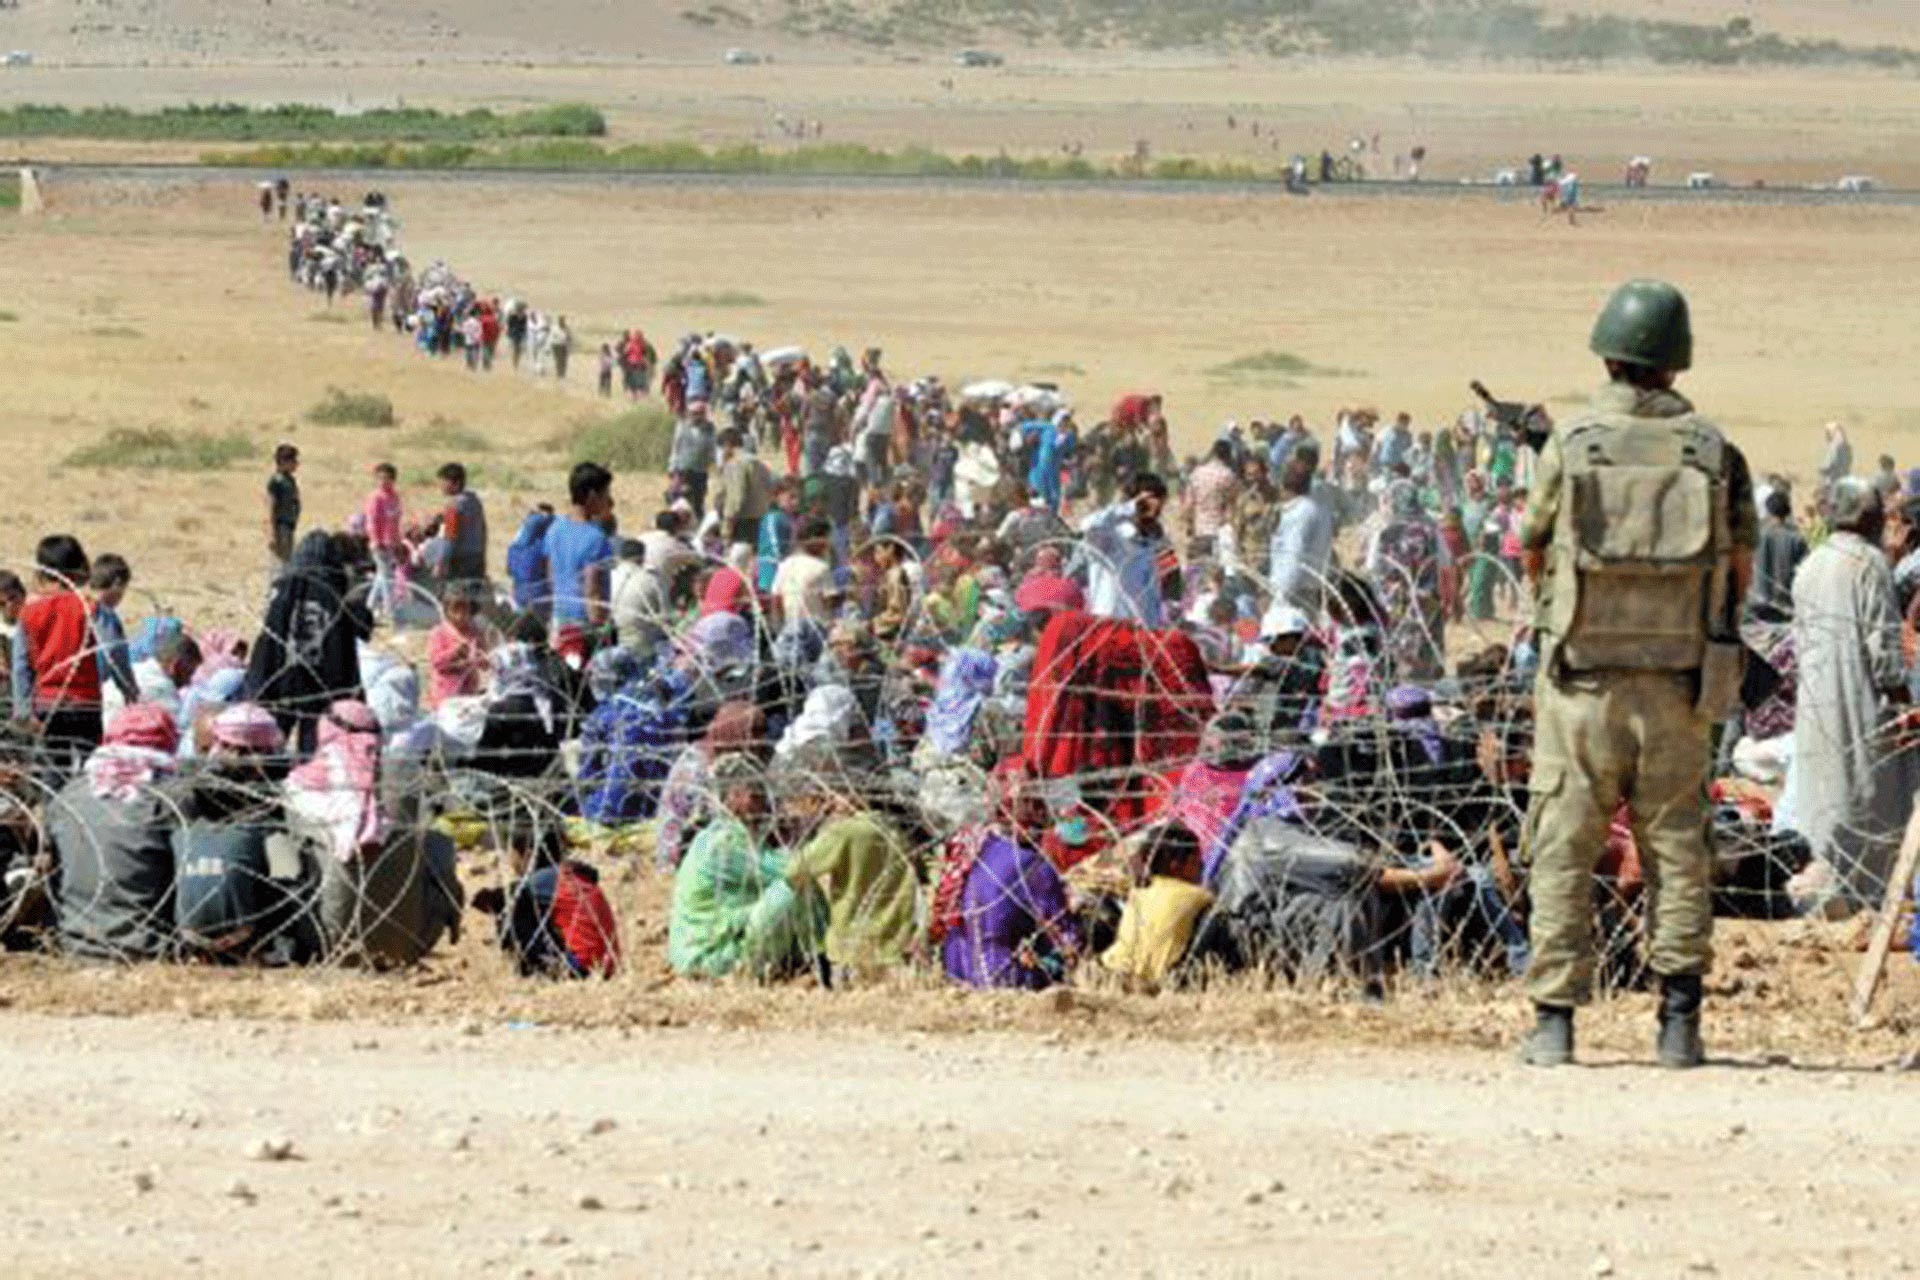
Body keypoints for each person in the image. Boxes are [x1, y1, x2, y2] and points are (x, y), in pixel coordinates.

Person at [1518, 279, 1755, 1069]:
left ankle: (1554, 1024)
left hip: (1581, 683)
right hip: (1682, 687)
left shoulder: (1572, 443)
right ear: (1674, 363)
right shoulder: (1714, 453)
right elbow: (1741, 571)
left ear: (1610, 353)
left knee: (1563, 845)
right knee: (1677, 848)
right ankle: (1679, 1024)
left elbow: (1532, 546)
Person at [1788, 478, 1917, 911]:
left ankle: (1830, 891)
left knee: (1826, 797)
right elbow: (1882, 646)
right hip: (1861, 704)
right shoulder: (1868, 562)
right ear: (1868, 516)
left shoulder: (1812, 563)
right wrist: (1902, 703)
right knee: (1871, 798)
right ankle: (1866, 897)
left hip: (1816, 701)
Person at [930, 758, 1081, 989]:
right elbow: (1067, 938)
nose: (1048, 812)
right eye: (1039, 803)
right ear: (1030, 806)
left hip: (954, 970)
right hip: (1001, 977)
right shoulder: (1031, 864)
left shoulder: (972, 845)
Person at [46, 704, 181, 960]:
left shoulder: (69, 794)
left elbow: (51, 869)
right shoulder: (171, 796)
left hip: (74, 942)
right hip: (149, 947)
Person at [669, 754, 812, 978]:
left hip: (720, 942)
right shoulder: (723, 843)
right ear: (734, 796)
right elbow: (793, 868)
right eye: (755, 794)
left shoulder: (724, 833)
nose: (764, 801)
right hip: (708, 956)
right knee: (790, 891)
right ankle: (824, 952)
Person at [244, 530, 372, 754]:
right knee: (316, 745)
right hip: (323, 684)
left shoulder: (282, 591)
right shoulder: (333, 593)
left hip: (281, 678)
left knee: (268, 742)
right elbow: (361, 630)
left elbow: (269, 640)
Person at [19, 534, 104, 775]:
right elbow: (110, 654)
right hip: (87, 702)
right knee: (90, 772)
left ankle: (53, 811)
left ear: (42, 571)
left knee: (54, 772)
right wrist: (127, 689)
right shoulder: (92, 608)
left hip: (48, 704)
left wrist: (24, 711)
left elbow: (21, 665)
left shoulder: (30, 612)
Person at [1100, 824, 1214, 986]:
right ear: (1176, 865)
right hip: (1153, 979)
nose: (1201, 865)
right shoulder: (1195, 895)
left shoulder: (1138, 893)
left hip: (1111, 968)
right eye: (1195, 860)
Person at [1078, 472, 1172, 626]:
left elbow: (1155, 594)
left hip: (1141, 630)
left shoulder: (1155, 542)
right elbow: (1087, 525)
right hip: (1109, 626)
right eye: (1147, 502)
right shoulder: (1111, 536)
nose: (1154, 509)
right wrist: (1129, 508)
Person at [542, 463, 617, 630]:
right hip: (584, 624)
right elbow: (592, 589)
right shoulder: (596, 538)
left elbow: (551, 575)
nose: (609, 500)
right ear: (592, 496)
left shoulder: (555, 529)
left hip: (559, 617)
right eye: (605, 494)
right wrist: (600, 627)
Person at [1267, 445, 1335, 615]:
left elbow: (1293, 556)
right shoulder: (1316, 507)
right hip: (1311, 586)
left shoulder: (1299, 514)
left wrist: (1278, 596)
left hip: (1293, 594)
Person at [425, 580, 494, 709]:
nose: (461, 616)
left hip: (469, 694)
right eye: (455, 610)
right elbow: (436, 662)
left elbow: (484, 659)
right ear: (447, 611)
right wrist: (454, 652)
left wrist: (483, 660)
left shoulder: (474, 632)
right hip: (445, 694)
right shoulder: (439, 633)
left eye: (465, 610)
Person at [1747, 488, 1808, 626]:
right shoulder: (1797, 538)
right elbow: (1805, 571)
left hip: (1757, 605)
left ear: (1767, 509)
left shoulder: (1756, 534)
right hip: (1785, 606)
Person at [88, 553, 138, 707]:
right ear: (117, 584)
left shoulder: (76, 604)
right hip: (90, 692)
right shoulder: (105, 615)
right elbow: (115, 653)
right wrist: (129, 688)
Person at [714, 427, 774, 553]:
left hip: (742, 522)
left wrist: (727, 526)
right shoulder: (758, 463)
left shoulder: (735, 463)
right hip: (760, 518)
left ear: (727, 445)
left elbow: (736, 499)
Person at [428, 462, 488, 587]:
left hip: (460, 561)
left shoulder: (454, 506)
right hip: (477, 557)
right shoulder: (474, 501)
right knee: (473, 599)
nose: (441, 486)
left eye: (443, 482)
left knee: (455, 600)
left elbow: (450, 537)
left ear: (455, 484)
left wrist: (440, 563)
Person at [363, 462, 407, 622]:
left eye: (387, 478)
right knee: (386, 575)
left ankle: (369, 606)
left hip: (392, 542)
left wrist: (398, 541)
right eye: (380, 478)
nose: (383, 482)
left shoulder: (394, 497)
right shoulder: (376, 498)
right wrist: (375, 540)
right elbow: (372, 521)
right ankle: (390, 611)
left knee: (382, 576)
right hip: (380, 543)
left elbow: (396, 520)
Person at [668, 400, 718, 517]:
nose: (695, 416)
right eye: (693, 413)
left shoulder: (709, 429)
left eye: (699, 413)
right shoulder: (682, 426)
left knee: (698, 502)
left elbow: (713, 449)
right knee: (679, 501)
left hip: (700, 471)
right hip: (682, 469)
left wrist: (715, 465)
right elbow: (676, 448)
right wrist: (672, 468)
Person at [266, 443, 301, 568]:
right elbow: (271, 506)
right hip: (280, 527)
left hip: (289, 526)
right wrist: (271, 533)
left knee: (288, 560)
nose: (296, 464)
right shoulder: (276, 481)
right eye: (293, 461)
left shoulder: (290, 480)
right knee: (280, 563)